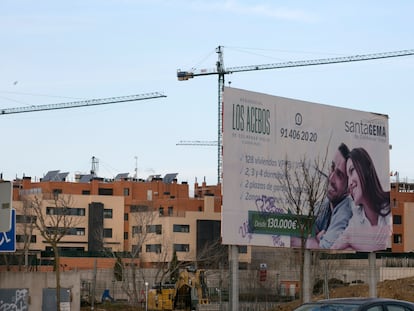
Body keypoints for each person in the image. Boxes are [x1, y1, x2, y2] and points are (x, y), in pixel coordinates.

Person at [331, 147, 391, 251]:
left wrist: (353, 239)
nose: (350, 183)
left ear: (366, 169)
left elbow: (388, 241)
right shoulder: (355, 221)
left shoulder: (390, 205)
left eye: (352, 171)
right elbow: (334, 248)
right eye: (347, 177)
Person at [296, 143, 354, 249]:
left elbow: (323, 249)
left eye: (339, 175)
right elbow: (302, 229)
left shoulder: (345, 211)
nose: (331, 178)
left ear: (349, 187)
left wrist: (314, 239)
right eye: (332, 168)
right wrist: (315, 237)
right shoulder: (326, 204)